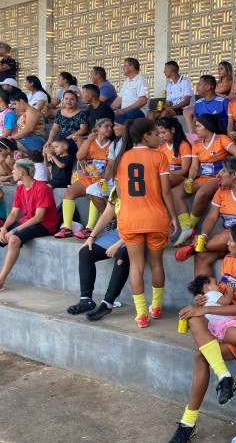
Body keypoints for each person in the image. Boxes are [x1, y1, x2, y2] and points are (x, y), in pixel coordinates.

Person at [169, 222, 236, 442]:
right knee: (194, 318)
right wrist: (204, 299)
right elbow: (221, 294)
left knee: (200, 356)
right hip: (222, 322)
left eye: (231, 240)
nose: (227, 242)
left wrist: (204, 309)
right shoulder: (229, 260)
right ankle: (224, 377)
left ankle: (187, 424)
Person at [114, 117, 177, 328]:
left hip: (130, 219)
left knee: (136, 267)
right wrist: (173, 217)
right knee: (157, 264)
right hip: (155, 218)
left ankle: (141, 314)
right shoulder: (159, 157)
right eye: (156, 133)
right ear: (146, 136)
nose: (159, 137)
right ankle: (156, 307)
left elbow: (120, 194)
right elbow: (166, 192)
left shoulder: (121, 158)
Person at [175, 156, 236, 279]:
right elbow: (211, 217)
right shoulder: (221, 191)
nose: (219, 174)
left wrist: (235, 231)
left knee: (231, 233)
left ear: (234, 175)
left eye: (223, 171)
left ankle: (196, 246)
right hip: (226, 241)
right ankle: (206, 291)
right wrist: (204, 235)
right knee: (202, 256)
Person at [172, 114, 236, 247]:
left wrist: (228, 170)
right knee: (176, 192)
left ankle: (191, 226)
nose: (195, 129)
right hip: (202, 177)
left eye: (198, 126)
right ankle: (186, 227)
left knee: (201, 193)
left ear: (208, 127)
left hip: (218, 177)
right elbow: (194, 167)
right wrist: (190, 178)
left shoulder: (221, 139)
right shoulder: (197, 143)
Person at [66, 188, 129, 321]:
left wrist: (119, 244)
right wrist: (91, 236)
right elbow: (106, 215)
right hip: (119, 233)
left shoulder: (135, 188)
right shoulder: (116, 189)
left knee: (122, 255)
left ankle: (107, 303)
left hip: (138, 233)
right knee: (85, 252)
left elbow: (140, 224)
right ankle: (86, 300)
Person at [0, 159, 58, 291]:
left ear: (22, 172)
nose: (12, 172)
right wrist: (4, 228)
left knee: (14, 239)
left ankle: (1, 280)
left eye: (14, 169)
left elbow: (39, 218)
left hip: (45, 224)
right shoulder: (20, 188)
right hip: (27, 221)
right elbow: (14, 213)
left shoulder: (42, 188)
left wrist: (13, 230)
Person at [54, 118, 114, 239]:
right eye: (106, 126)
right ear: (98, 128)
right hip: (90, 177)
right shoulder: (89, 142)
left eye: (111, 127)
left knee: (94, 192)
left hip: (104, 179)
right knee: (69, 192)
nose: (110, 129)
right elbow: (79, 157)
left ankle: (89, 228)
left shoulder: (112, 144)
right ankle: (67, 228)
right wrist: (88, 141)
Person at [156, 116, 192, 187]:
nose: (161, 136)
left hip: (180, 177)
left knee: (166, 179)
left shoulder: (184, 145)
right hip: (165, 175)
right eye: (159, 133)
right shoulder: (160, 147)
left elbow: (184, 170)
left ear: (172, 130)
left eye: (163, 132)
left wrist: (166, 173)